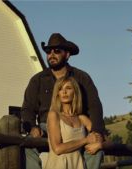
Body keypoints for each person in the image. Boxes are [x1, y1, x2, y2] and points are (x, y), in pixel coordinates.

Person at [21, 33, 105, 169]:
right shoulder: (38, 80)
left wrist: (96, 132)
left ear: (67, 55)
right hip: (46, 126)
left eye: (57, 51)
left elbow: (95, 106)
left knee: (96, 148)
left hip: (76, 125)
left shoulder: (82, 78)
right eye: (48, 51)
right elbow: (27, 108)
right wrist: (32, 127)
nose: (51, 54)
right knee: (28, 144)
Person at [45, 77, 103, 169]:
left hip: (78, 165)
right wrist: (85, 140)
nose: (64, 92)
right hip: (58, 165)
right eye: (60, 89)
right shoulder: (54, 115)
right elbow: (57, 149)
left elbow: (102, 137)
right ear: (57, 94)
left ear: (75, 92)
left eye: (68, 88)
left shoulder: (82, 119)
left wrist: (100, 144)